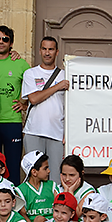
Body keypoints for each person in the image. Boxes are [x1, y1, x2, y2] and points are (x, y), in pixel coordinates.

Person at [0, 26, 30, 184]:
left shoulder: (21, 64)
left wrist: (25, 104)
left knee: (12, 164)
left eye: (5, 39)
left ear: (11, 43)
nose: (1, 42)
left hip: (12, 121)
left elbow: (34, 88)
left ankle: (14, 202)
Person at [22, 37, 68, 184]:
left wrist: (68, 132)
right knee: (34, 175)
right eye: (44, 49)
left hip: (57, 132)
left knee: (55, 177)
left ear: (57, 52)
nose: (47, 53)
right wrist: (57, 86)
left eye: (51, 49)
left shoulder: (66, 75)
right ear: (40, 51)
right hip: (34, 130)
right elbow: (34, 99)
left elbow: (70, 107)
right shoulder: (30, 73)